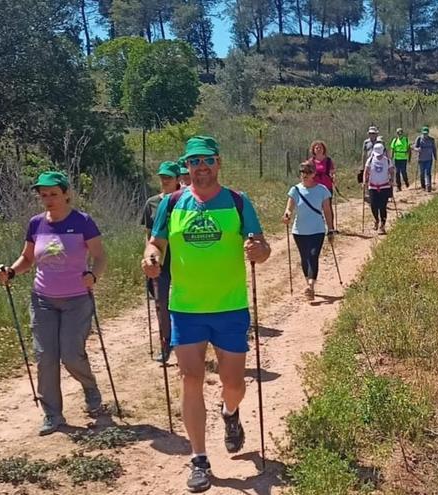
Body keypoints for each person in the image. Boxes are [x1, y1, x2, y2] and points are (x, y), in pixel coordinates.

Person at [142, 136, 271, 493]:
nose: (200, 167)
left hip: (230, 307)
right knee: (191, 378)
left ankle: (230, 413)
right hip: (186, 308)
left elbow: (261, 247)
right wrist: (151, 257)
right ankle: (199, 458)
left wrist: (259, 249)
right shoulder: (171, 203)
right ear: (186, 167)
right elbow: (156, 242)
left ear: (218, 163)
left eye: (207, 160)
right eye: (193, 161)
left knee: (234, 384)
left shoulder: (238, 202)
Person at [0, 171, 107, 436]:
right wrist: (11, 271)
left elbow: (100, 256)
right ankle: (52, 414)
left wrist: (93, 275)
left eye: (53, 194)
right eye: (43, 194)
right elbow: (27, 258)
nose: (48, 199)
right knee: (45, 356)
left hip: (77, 299)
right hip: (43, 298)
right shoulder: (36, 224)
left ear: (66, 194)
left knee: (70, 354)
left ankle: (90, 388)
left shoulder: (83, 222)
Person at [141, 161, 181, 363]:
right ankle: (166, 343)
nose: (165, 181)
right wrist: (147, 257)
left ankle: (187, 338)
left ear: (177, 179)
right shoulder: (152, 203)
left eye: (169, 177)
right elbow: (149, 234)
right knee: (160, 301)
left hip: (182, 258)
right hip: (160, 259)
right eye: (162, 177)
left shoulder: (185, 199)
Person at [283, 162, 336, 301]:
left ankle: (311, 286)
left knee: (313, 256)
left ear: (313, 174)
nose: (304, 175)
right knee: (304, 258)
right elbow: (289, 208)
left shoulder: (322, 190)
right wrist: (287, 215)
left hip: (317, 230)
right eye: (302, 173)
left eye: (307, 172)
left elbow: (327, 211)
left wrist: (330, 228)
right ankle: (308, 282)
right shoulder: (295, 190)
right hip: (299, 231)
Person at [362, 143, 395, 234]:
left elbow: (391, 171)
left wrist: (392, 179)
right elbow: (366, 171)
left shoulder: (387, 161)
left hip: (384, 186)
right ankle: (376, 219)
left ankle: (382, 225)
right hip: (372, 186)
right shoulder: (370, 160)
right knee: (373, 205)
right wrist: (364, 181)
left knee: (383, 206)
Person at [307, 140, 335, 220]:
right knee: (316, 206)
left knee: (328, 207)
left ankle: (330, 227)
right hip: (314, 187)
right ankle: (318, 225)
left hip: (327, 186)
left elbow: (332, 171)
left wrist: (334, 177)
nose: (318, 149)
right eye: (316, 148)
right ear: (313, 150)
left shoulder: (328, 160)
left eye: (320, 148)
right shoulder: (310, 162)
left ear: (324, 149)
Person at [413, 126, 437, 192]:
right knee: (422, 173)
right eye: (424, 133)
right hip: (421, 159)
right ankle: (423, 186)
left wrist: (435, 157)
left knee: (428, 172)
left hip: (429, 159)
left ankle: (428, 185)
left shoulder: (432, 139)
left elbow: (434, 149)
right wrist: (417, 149)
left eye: (426, 133)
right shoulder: (419, 139)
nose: (425, 135)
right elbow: (414, 147)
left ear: (428, 133)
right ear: (422, 133)